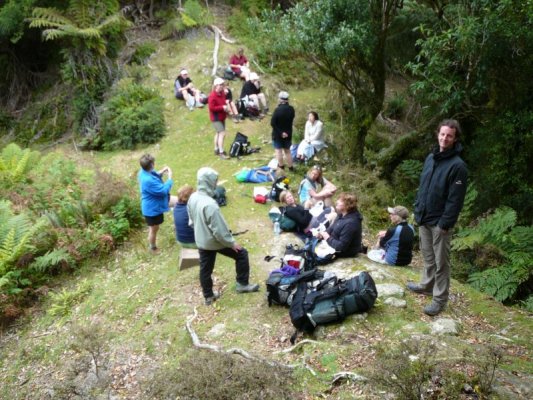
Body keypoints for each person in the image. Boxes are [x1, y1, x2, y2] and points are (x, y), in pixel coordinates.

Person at [407, 119, 468, 316]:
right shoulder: (431, 158)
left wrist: (445, 224)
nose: (445, 138)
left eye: (449, 135)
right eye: (442, 134)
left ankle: (439, 299)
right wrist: (418, 210)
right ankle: (426, 285)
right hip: (424, 217)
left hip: (440, 223)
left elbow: (455, 200)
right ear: (438, 134)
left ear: (455, 138)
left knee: (442, 263)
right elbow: (423, 187)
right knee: (428, 257)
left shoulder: (458, 166)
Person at [188, 167, 260, 305]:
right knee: (241, 254)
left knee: (205, 269)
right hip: (215, 241)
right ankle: (242, 284)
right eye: (214, 181)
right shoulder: (210, 205)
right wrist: (232, 243)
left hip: (201, 241)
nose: (216, 183)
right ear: (208, 182)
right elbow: (220, 232)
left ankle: (208, 296)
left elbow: (191, 220)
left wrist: (200, 232)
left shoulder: (193, 197)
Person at [138, 154, 174, 253]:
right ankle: (153, 248)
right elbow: (163, 191)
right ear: (152, 165)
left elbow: (152, 174)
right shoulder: (148, 180)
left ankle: (180, 226)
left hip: (155, 204)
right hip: (152, 209)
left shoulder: (143, 172)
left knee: (178, 202)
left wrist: (161, 172)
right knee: (154, 229)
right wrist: (170, 178)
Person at [314, 193, 362, 258]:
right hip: (333, 244)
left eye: (340, 201)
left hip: (345, 253)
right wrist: (322, 235)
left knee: (313, 254)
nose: (337, 202)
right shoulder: (341, 215)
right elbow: (331, 229)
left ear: (348, 205)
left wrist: (327, 238)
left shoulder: (351, 223)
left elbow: (341, 247)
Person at [271, 91, 295, 171]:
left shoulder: (277, 110)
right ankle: (291, 167)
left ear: (281, 100)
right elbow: (291, 120)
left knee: (278, 151)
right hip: (288, 133)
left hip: (278, 134)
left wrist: (281, 133)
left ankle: (281, 166)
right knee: (287, 151)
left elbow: (273, 123)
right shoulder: (291, 109)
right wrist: (286, 133)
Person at [208, 77, 230, 159]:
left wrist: (226, 108)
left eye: (222, 84)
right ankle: (221, 152)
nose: (222, 86)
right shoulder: (212, 96)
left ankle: (216, 149)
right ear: (216, 86)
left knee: (218, 133)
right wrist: (222, 107)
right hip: (216, 118)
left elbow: (224, 100)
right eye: (220, 85)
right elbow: (212, 108)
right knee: (222, 133)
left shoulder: (222, 93)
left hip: (222, 116)